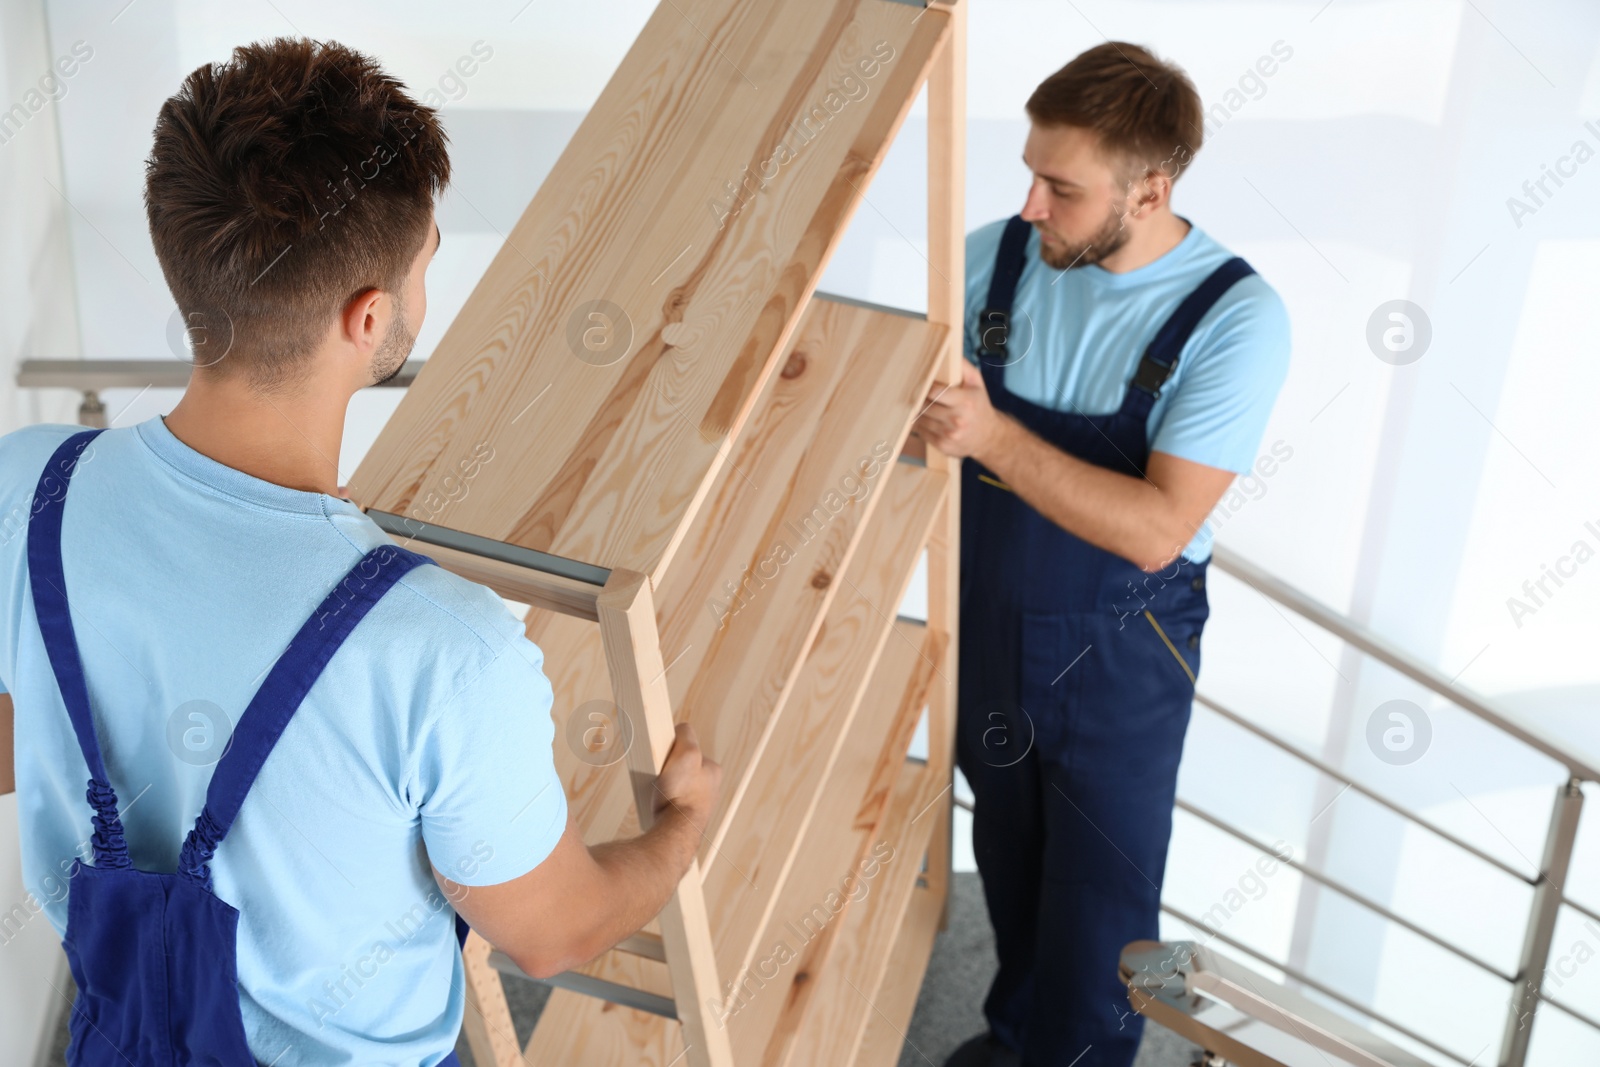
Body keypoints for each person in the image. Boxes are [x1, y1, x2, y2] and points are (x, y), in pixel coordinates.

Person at [0, 37, 719, 1067]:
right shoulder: (442, 644)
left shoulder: (28, 483)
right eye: (426, 259)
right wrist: (679, 825)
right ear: (370, 316)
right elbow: (554, 931)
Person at [914, 42, 1291, 1067]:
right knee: (1008, 855)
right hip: (986, 623)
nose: (1032, 205)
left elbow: (1157, 525)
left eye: (1062, 188)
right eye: (1030, 173)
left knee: (1103, 898)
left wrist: (989, 436)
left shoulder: (1235, 320)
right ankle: (1013, 1038)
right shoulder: (993, 256)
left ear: (1150, 188)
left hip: (1123, 652)